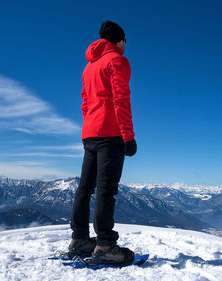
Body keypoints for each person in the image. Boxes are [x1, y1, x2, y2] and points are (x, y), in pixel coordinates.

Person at [69, 20, 137, 265]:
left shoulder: (89, 67)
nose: (125, 45)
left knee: (85, 187)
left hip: (90, 133)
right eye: (125, 41)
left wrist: (90, 127)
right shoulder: (117, 61)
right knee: (106, 190)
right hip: (110, 134)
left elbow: (85, 103)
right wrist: (128, 136)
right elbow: (121, 100)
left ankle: (79, 239)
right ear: (118, 41)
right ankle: (105, 245)